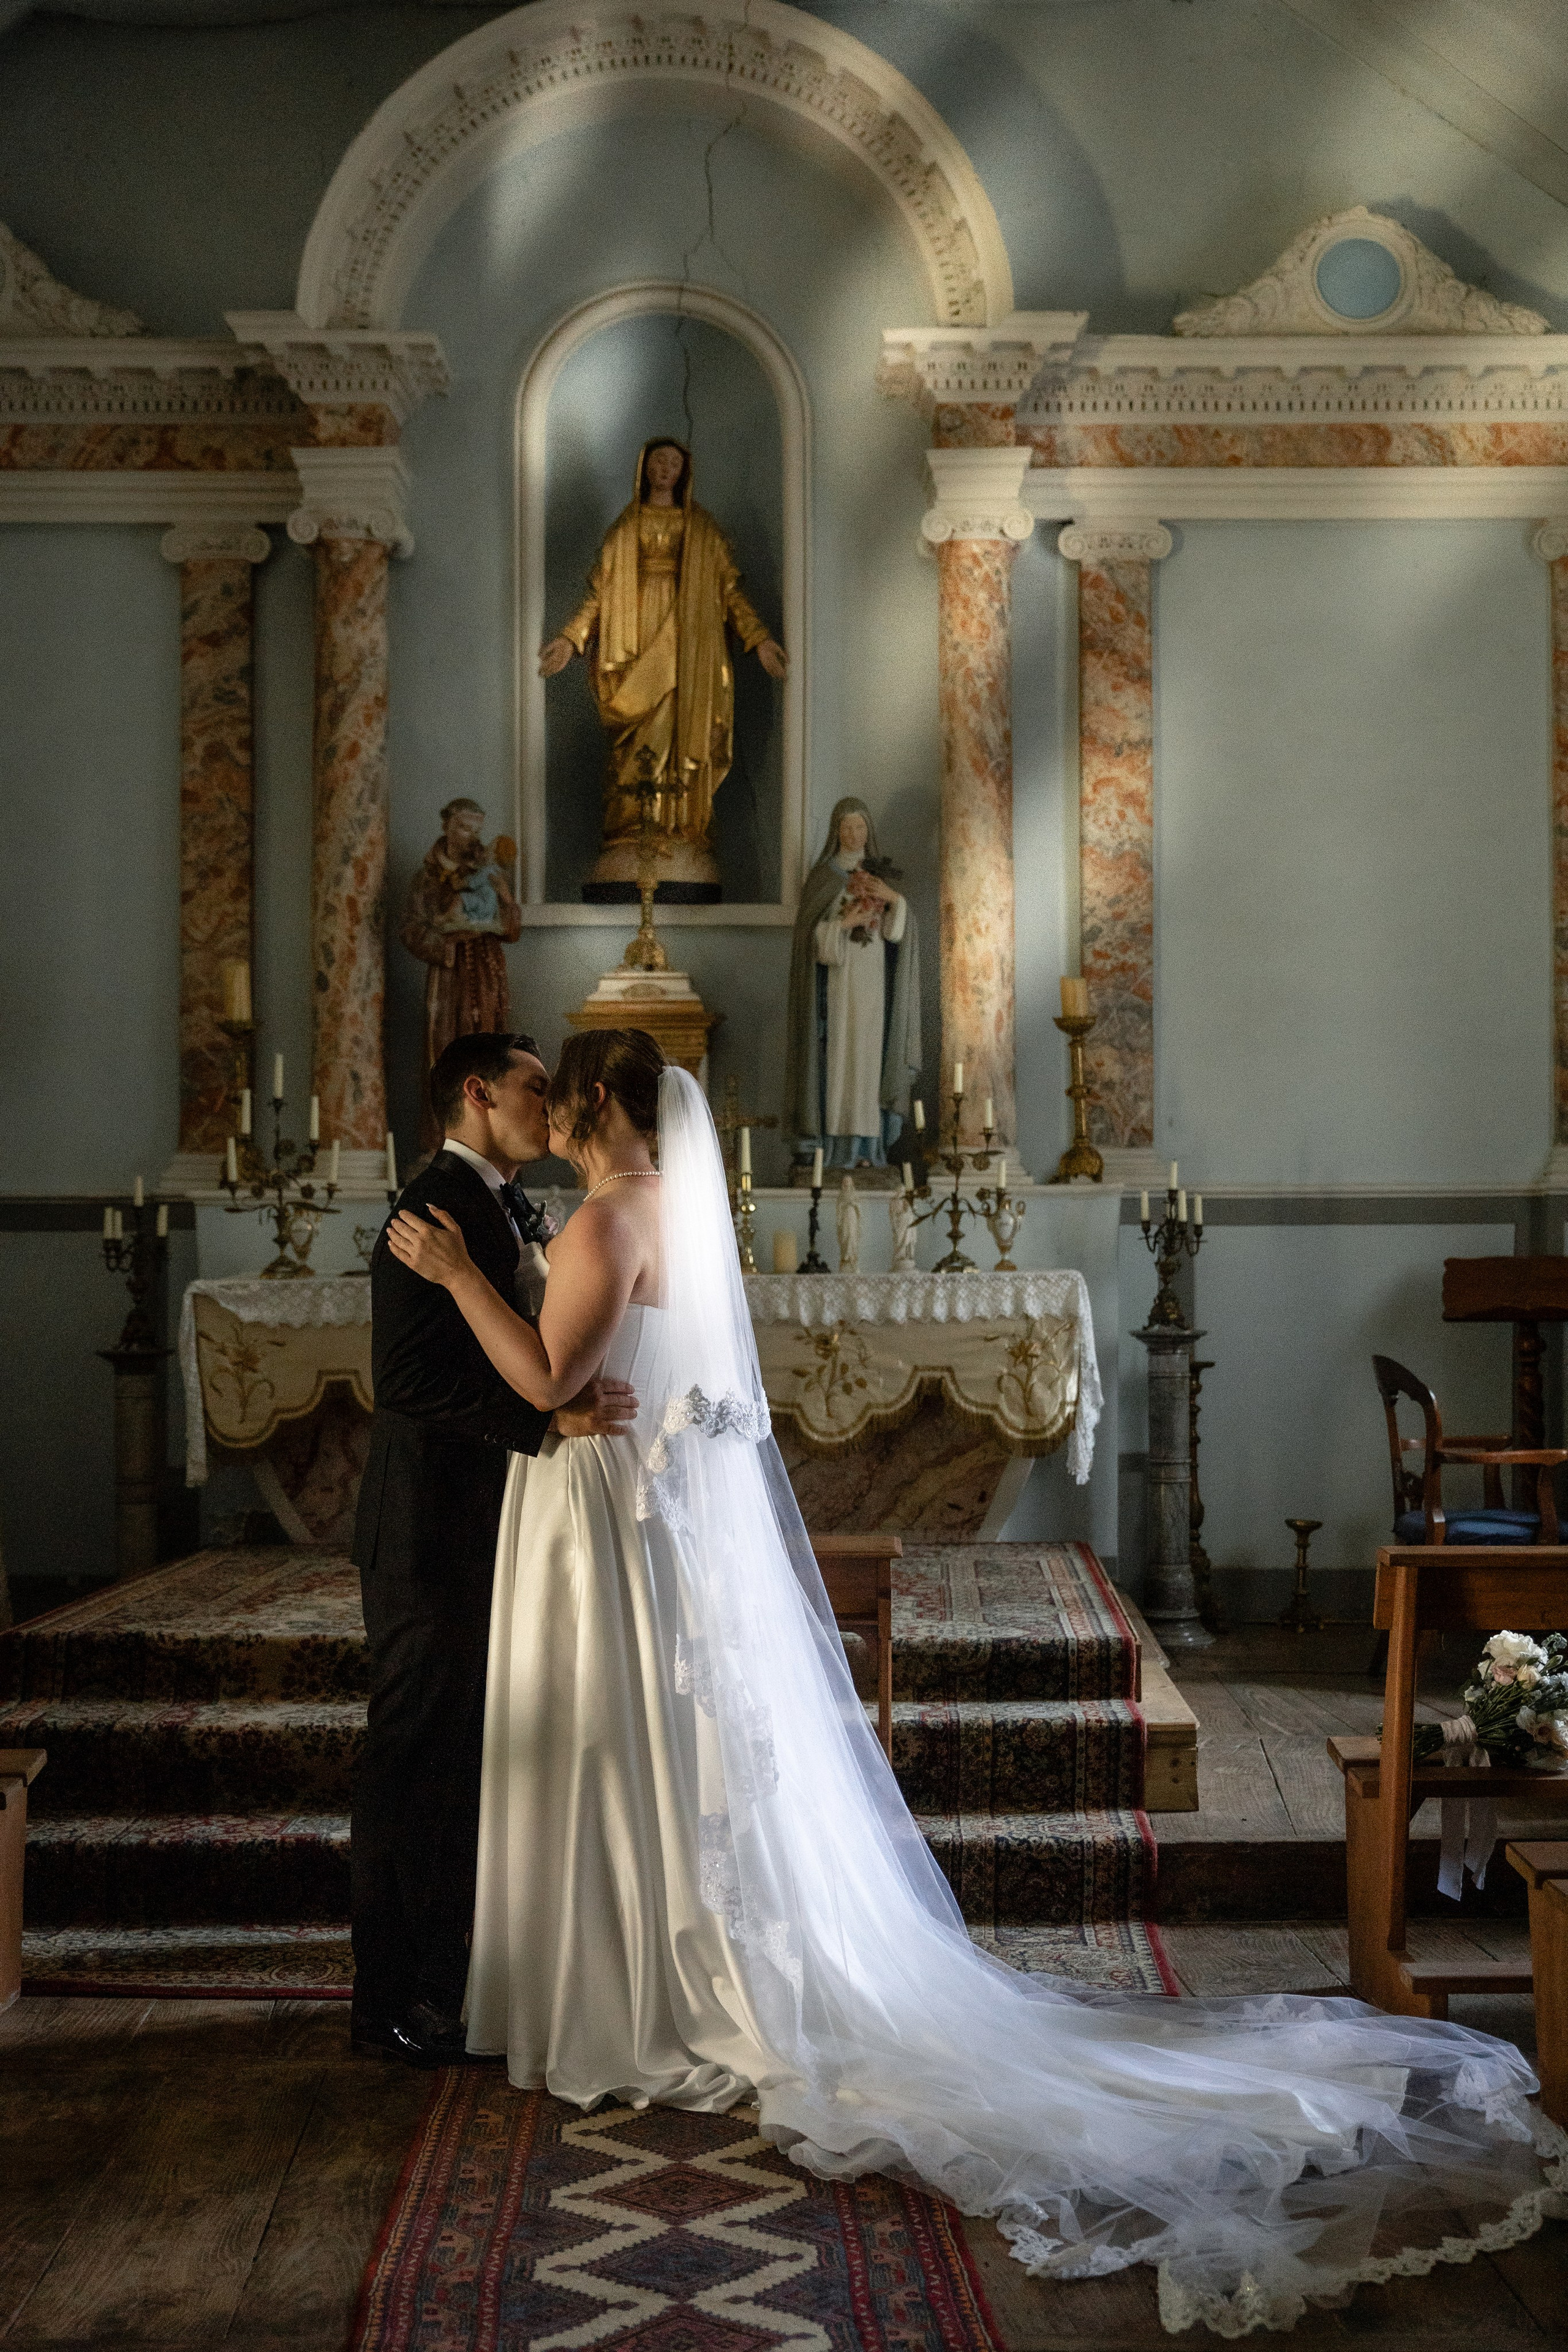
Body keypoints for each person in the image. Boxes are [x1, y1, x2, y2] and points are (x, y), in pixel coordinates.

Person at [387, 1033, 1563, 2335]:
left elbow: (551, 1381)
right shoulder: (655, 1208)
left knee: (625, 1744)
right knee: (647, 1747)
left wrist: (452, 1279)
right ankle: (645, 1959)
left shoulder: (610, 1217)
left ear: (604, 1105)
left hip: (605, 1516)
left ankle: (638, 1987)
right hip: (629, 1509)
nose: (547, 1109)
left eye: (566, 1092)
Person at [349, 1030, 637, 2066]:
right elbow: (409, 1383)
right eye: (530, 1086)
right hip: (426, 1529)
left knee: (463, 1762)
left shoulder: (504, 1203)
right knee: (413, 1760)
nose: (547, 1101)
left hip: (483, 1525)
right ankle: (383, 2004)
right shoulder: (433, 1204)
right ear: (477, 1095)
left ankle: (447, 1982)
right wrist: (547, 1422)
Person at [539, 438, 787, 899]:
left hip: (689, 646)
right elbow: (599, 595)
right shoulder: (626, 527)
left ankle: (681, 831)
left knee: (679, 730)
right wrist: (570, 639)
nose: (665, 469)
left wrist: (760, 640)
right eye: (658, 461)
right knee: (638, 738)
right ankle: (634, 832)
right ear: (644, 467)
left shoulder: (703, 529)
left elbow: (730, 596)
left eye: (674, 462)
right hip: (636, 639)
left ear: (684, 470)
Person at [783, 797, 921, 1172]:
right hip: (838, 986)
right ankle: (833, 1150)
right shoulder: (824, 877)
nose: (854, 834)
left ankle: (869, 1150)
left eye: (860, 827)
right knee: (839, 1058)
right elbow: (811, 939)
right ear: (836, 832)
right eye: (847, 827)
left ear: (868, 832)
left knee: (869, 1061)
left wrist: (893, 900)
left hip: (874, 982)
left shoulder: (878, 876)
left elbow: (898, 935)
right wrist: (845, 923)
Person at [399, 799, 523, 1151]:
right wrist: (447, 943)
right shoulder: (427, 877)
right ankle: (444, 1147)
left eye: (477, 829)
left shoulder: (488, 870)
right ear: (447, 827)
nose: (472, 837)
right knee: (445, 1055)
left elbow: (511, 928)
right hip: (450, 977)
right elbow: (411, 929)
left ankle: (492, 1147)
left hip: (486, 972)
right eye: (465, 828)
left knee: (492, 1057)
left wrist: (505, 899)